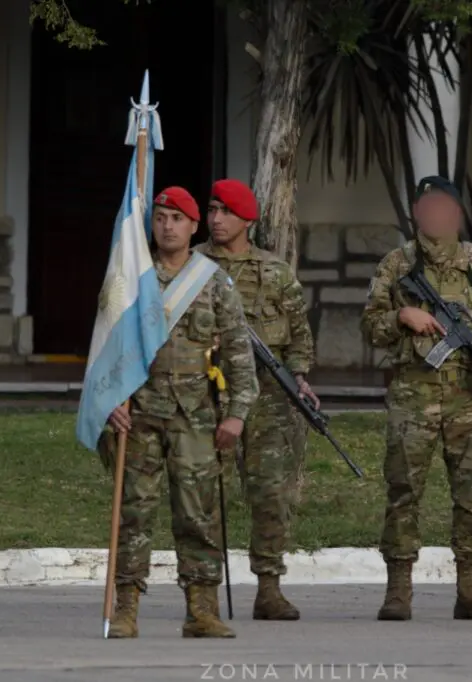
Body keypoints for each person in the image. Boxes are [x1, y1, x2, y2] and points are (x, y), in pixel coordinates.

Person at [98, 186, 260, 639]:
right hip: (139, 412)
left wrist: (236, 414)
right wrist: (109, 400)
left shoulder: (213, 282)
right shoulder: (132, 278)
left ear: (193, 227)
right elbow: (106, 344)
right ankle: (126, 608)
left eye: (177, 219)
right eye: (160, 218)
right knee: (133, 513)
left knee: (198, 514)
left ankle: (201, 610)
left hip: (195, 416)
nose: (167, 226)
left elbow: (239, 355)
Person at [360, 175, 472, 622]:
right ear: (416, 213)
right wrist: (401, 315)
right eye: (427, 207)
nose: (435, 215)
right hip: (413, 396)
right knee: (403, 493)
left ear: (457, 214)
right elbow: (370, 326)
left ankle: (470, 590)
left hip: (469, 398)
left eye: (443, 207)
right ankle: (398, 592)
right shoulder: (396, 265)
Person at [193, 178, 317, 620]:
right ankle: (203, 590)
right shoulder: (192, 266)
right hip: (209, 392)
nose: (216, 219)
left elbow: (299, 335)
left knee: (270, 493)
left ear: (247, 219)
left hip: (268, 397)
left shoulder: (275, 272)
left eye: (225, 212)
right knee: (205, 495)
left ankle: (269, 587)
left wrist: (299, 377)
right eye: (212, 210)